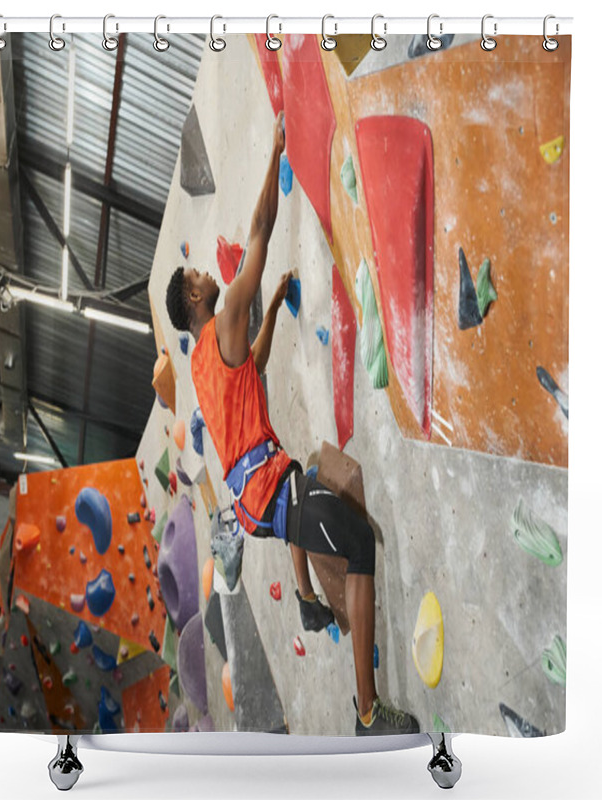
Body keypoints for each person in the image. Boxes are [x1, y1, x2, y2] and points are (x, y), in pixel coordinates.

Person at [165, 111, 419, 737]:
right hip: (269, 491)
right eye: (200, 277)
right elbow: (259, 232)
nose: (209, 276)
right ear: (197, 300)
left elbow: (256, 364)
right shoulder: (223, 317)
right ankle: (366, 712)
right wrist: (276, 149)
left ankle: (305, 600)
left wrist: (274, 306)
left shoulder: (205, 364)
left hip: (257, 493)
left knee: (302, 475)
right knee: (358, 545)